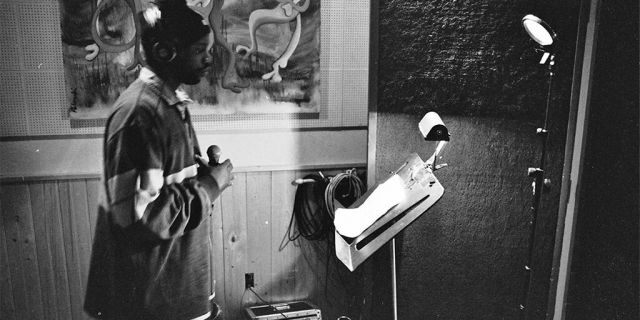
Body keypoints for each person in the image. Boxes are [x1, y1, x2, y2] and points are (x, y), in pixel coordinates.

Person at [84, 1, 233, 319]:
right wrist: (208, 187)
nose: (209, 58)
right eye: (199, 51)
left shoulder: (168, 104)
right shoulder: (140, 113)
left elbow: (164, 190)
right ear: (166, 51)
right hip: (153, 304)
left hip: (172, 295)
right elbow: (139, 219)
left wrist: (200, 177)